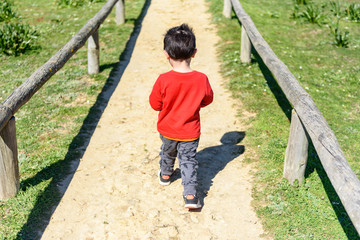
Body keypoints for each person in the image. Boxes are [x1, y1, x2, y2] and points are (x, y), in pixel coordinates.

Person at [149, 23, 213, 209]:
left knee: (168, 151)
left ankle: (166, 174)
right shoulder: (201, 79)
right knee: (188, 161)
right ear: (194, 52)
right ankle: (191, 195)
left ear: (166, 54)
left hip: (168, 129)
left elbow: (155, 105)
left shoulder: (163, 79)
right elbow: (207, 99)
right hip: (190, 131)